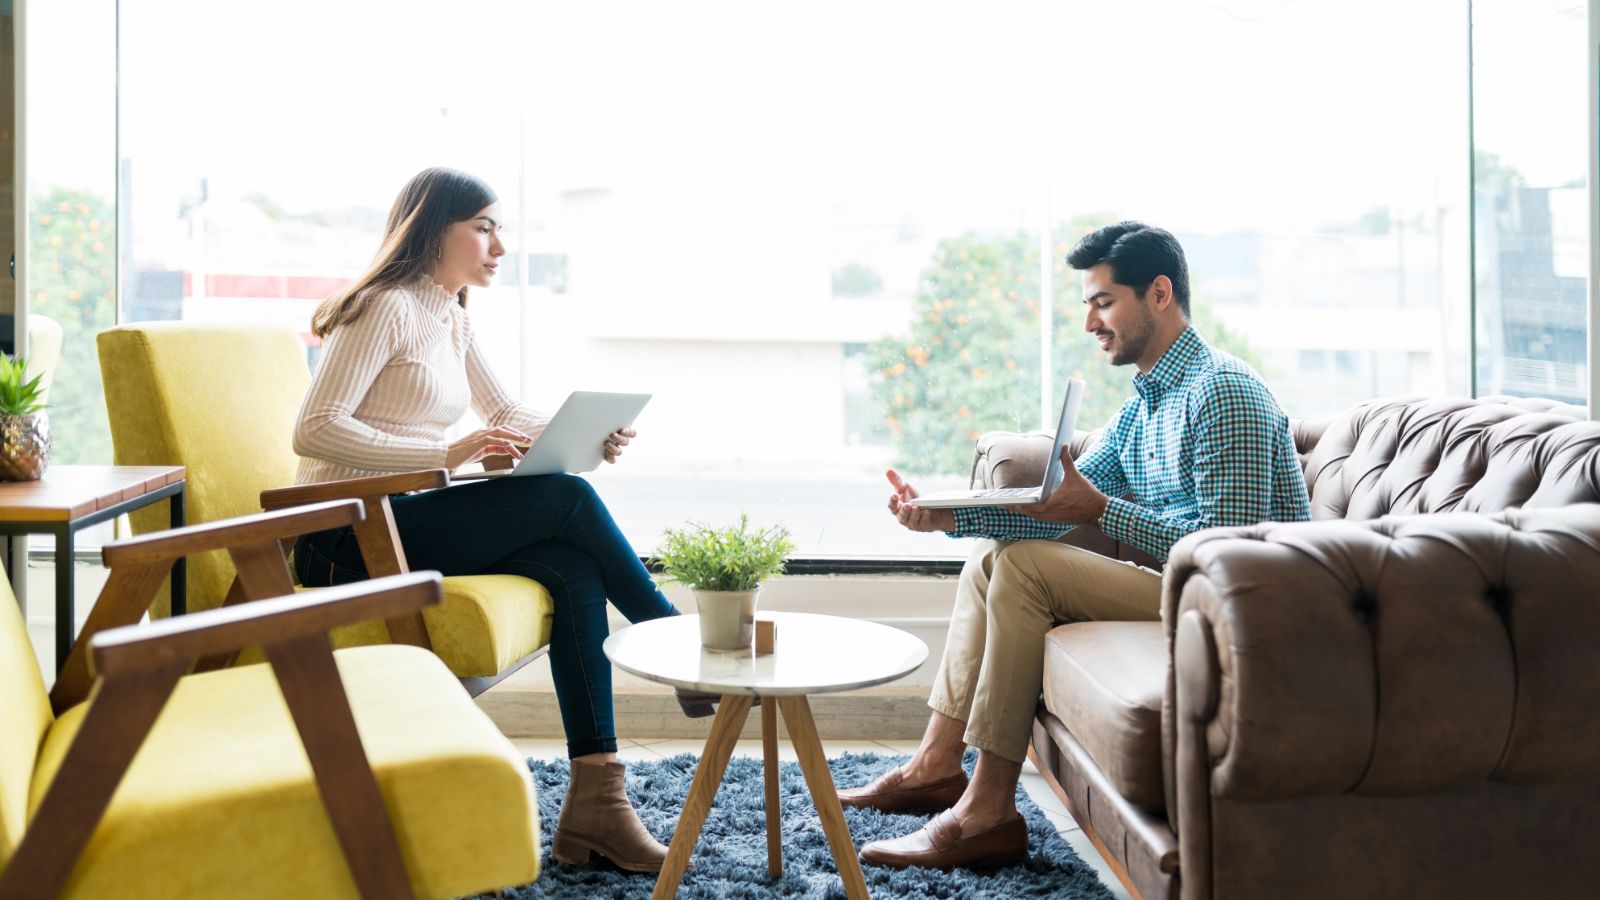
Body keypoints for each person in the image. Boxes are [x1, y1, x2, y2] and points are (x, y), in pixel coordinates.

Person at [844, 221, 1313, 870]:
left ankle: (987, 812)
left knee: (1024, 570)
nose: (1091, 322)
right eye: (1088, 305)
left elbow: (1227, 556)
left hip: (1237, 608)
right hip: (1182, 592)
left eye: (1103, 302)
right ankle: (936, 766)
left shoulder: (1222, 391)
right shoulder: (1145, 405)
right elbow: (1053, 511)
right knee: (991, 559)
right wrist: (944, 516)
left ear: (1159, 293)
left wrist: (1103, 510)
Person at [291, 167, 677, 875]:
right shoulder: (382, 307)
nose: (499, 245)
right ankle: (673, 638)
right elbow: (315, 428)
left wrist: (590, 432)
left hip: (396, 521)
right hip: (339, 538)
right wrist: (443, 452)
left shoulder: (450, 314)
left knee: (573, 566)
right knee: (567, 501)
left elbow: (503, 414)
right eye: (484, 227)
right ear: (431, 229)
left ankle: (598, 804)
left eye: (500, 229)